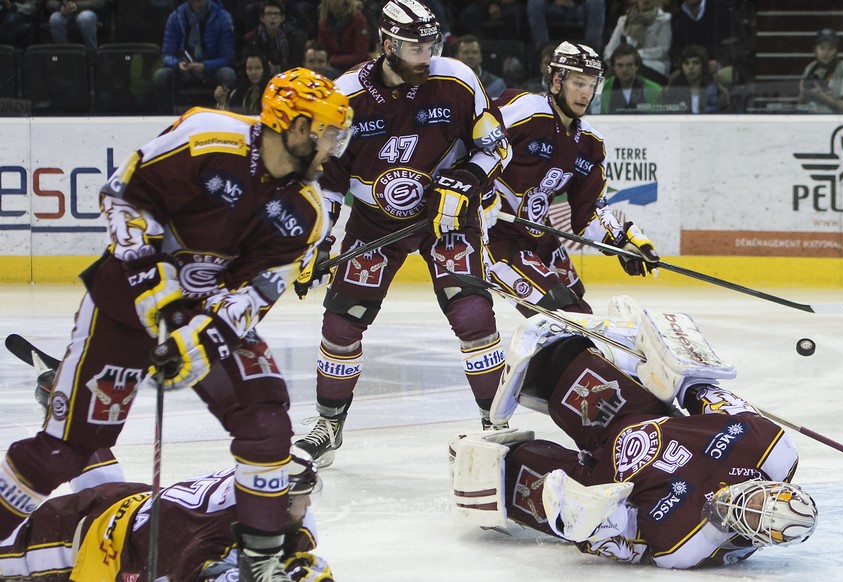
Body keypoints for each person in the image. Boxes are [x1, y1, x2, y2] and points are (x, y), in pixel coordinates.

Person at [0, 68, 353, 581]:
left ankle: (260, 565)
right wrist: (153, 288)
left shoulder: (305, 210)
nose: (334, 150)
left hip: (205, 312)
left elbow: (256, 293)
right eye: (328, 135)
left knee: (266, 422)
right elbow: (123, 196)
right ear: (297, 127)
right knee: (62, 451)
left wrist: (201, 339)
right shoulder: (208, 137)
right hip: (124, 305)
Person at [293, 0, 511, 468]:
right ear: (387, 44)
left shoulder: (455, 78)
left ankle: (497, 423)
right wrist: (319, 242)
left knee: (473, 314)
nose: (425, 55)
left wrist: (467, 182)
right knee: (342, 321)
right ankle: (328, 423)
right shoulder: (343, 98)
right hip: (374, 222)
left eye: (431, 44)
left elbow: (496, 147)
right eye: (414, 46)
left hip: (445, 216)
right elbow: (327, 185)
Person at [450, 304, 819, 568]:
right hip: (627, 416)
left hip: (597, 482)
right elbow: (707, 394)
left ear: (759, 538)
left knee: (496, 471)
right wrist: (672, 369)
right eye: (758, 502)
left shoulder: (687, 547)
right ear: (768, 487)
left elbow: (621, 539)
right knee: (556, 356)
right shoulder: (771, 449)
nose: (747, 509)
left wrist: (589, 519)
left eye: (755, 520)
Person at [486, 42, 659, 318]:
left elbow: (588, 211)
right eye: (579, 83)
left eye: (592, 85)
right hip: (493, 236)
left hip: (538, 234)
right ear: (557, 80)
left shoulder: (590, 143)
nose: (586, 93)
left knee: (577, 306)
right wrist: (474, 195)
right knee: (559, 311)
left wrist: (622, 240)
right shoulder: (525, 110)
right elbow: (472, 142)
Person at [0, 452, 331, 581]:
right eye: (303, 499)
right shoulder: (212, 539)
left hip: (127, 501)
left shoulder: (255, 483)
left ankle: (71, 416)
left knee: (101, 492)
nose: (308, 508)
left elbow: (311, 569)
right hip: (84, 538)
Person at [153, 0, 237, 114]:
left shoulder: (222, 17)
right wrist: (177, 64)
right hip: (184, 70)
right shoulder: (175, 17)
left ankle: (224, 114)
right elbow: (167, 55)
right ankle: (165, 117)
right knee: (161, 76)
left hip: (211, 71)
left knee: (228, 75)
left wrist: (205, 66)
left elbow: (228, 57)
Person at [603, 0, 671, 86]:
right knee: (618, 67)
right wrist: (616, 59)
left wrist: (637, 55)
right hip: (626, 61)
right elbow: (610, 49)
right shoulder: (624, 20)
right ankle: (603, 95)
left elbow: (662, 50)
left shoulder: (663, 20)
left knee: (631, 67)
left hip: (653, 64)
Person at [798, 28, 843, 114]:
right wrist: (803, 93)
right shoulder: (810, 68)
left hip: (837, 124)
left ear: (836, 51)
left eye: (830, 48)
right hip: (811, 123)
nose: (826, 52)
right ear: (815, 50)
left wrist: (822, 96)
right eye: (822, 48)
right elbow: (800, 105)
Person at [591, 42, 664, 114]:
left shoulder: (654, 90)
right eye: (620, 65)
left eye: (629, 65)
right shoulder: (601, 89)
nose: (624, 69)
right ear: (613, 67)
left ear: (637, 66)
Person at [243, 0, 308, 76]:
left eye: (276, 14)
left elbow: (297, 64)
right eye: (268, 14)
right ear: (262, 18)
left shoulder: (293, 36)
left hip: (287, 75)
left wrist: (278, 68)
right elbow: (247, 64)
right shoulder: (252, 38)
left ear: (282, 18)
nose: (272, 17)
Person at [664, 43, 730, 113]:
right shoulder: (674, 90)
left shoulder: (714, 89)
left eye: (695, 63)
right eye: (686, 63)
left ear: (703, 65)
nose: (690, 67)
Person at [527, 0, 606, 52]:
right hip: (552, 5)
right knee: (535, 3)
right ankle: (543, 50)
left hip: (578, 6)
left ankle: (592, 50)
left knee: (597, 2)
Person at [315, 0, 371, 74]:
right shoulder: (323, 22)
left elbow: (360, 56)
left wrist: (332, 59)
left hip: (356, 69)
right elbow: (322, 49)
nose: (335, 2)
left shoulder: (359, 21)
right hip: (332, 65)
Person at [452, 34, 507, 99]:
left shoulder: (496, 85)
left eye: (475, 52)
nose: (470, 56)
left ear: (481, 57)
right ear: (456, 57)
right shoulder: (448, 83)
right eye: (465, 52)